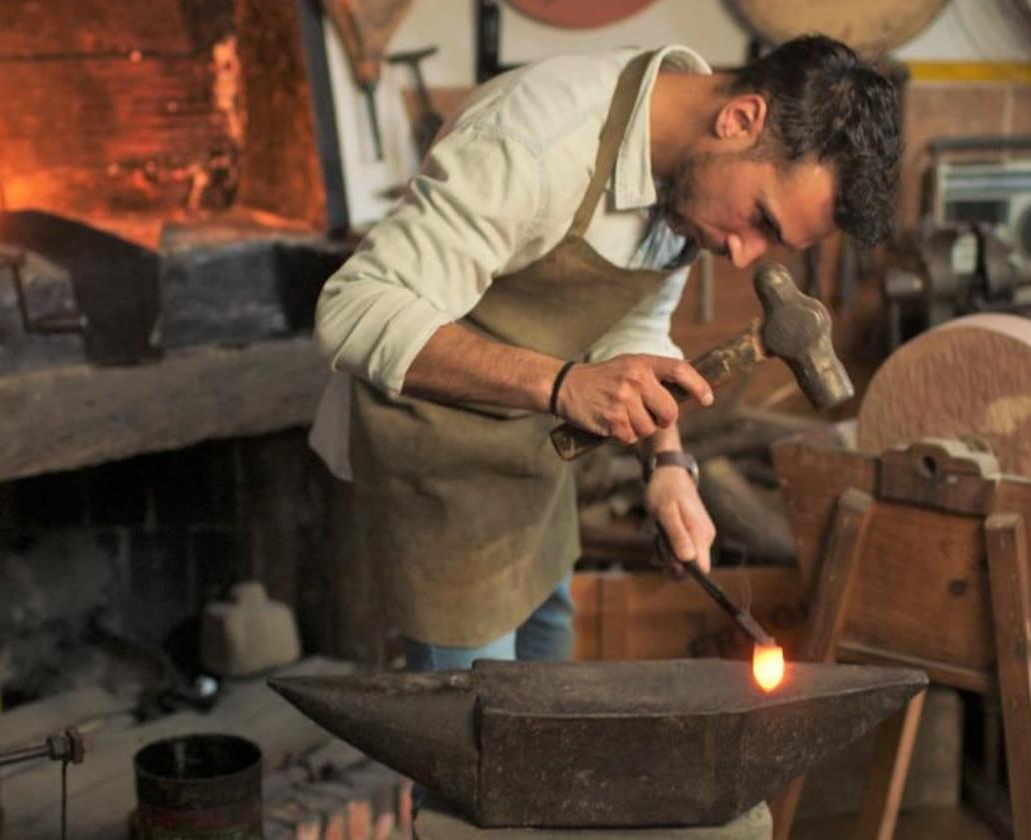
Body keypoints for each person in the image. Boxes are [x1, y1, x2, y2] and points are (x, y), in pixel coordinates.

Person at [309, 34, 899, 672]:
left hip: (534, 477)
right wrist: (564, 386)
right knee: (478, 756)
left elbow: (636, 320)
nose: (745, 255)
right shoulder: (533, 142)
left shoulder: (685, 176)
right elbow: (353, 307)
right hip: (440, 484)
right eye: (761, 219)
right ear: (740, 119)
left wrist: (668, 466)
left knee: (552, 711)